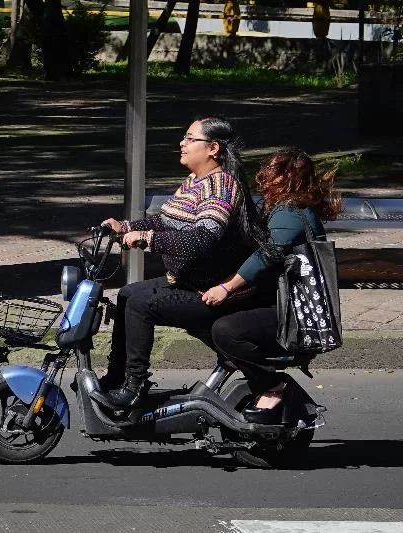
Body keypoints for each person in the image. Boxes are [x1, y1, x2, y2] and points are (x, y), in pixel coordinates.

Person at [99, 117, 265, 408]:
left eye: (190, 139)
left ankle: (134, 387)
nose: (182, 144)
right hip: (186, 280)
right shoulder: (194, 182)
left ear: (212, 148)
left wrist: (147, 239)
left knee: (140, 306)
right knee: (127, 295)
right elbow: (166, 220)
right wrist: (124, 227)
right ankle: (117, 377)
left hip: (212, 291)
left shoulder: (221, 187)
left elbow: (203, 237)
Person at [200, 148, 342, 423]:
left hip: (296, 314)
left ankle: (271, 386)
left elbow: (268, 255)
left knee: (226, 330)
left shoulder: (290, 212)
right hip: (278, 304)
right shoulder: (281, 208)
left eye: (273, 173)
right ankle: (241, 365)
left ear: (289, 179)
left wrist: (226, 287)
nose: (264, 177)